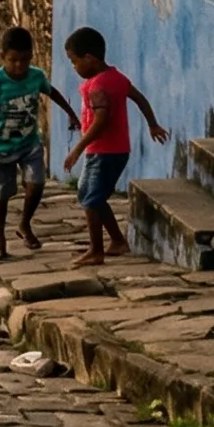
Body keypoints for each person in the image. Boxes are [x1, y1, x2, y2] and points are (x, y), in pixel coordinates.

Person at [0, 26, 78, 260]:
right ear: (3, 57)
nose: (19, 66)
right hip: (1, 146)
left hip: (29, 143)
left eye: (24, 59)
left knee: (36, 184)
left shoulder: (37, 76)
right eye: (13, 60)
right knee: (1, 195)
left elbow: (53, 93)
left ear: (31, 56)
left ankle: (24, 224)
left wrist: (71, 114)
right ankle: (0, 241)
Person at [60, 25, 167, 268]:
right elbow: (140, 99)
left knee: (91, 198)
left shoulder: (96, 86)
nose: (74, 67)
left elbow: (101, 120)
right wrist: (152, 124)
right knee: (88, 195)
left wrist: (77, 148)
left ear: (89, 58)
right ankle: (117, 240)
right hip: (115, 150)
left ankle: (96, 250)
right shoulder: (118, 78)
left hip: (103, 151)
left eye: (74, 61)